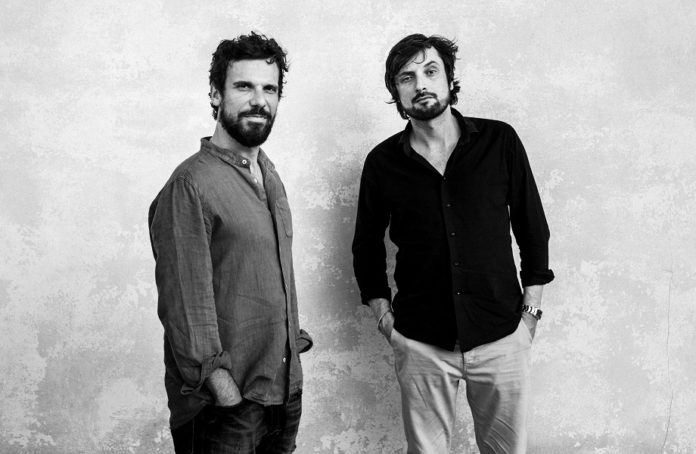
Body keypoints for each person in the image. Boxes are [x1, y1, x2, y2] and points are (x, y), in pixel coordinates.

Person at [352, 34, 554, 454]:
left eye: (431, 71)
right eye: (406, 78)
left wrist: (531, 313)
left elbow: (533, 228)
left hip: (501, 334)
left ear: (449, 78)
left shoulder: (499, 142)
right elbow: (366, 247)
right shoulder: (382, 163)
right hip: (421, 341)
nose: (421, 84)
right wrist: (386, 320)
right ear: (396, 92)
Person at [148, 32, 312, 454]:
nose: (259, 100)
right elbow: (185, 305)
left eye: (269, 89)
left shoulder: (269, 176)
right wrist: (224, 392)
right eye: (243, 86)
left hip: (282, 395)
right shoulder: (190, 185)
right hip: (225, 411)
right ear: (215, 94)